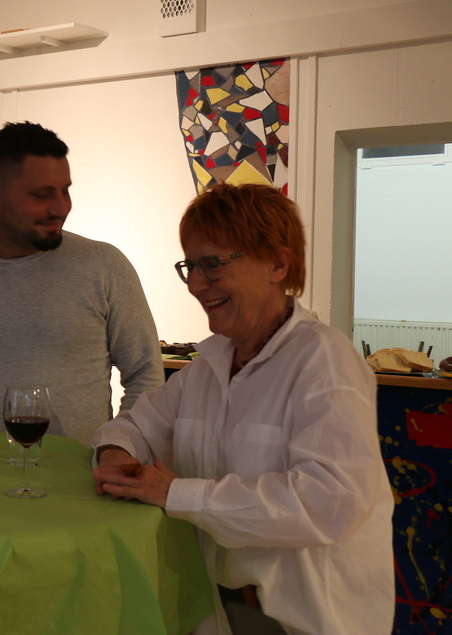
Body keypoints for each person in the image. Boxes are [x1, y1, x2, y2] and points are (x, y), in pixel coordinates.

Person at [91, 182, 394, 635]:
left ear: (277, 264)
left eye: (213, 265)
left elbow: (330, 500)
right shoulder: (209, 365)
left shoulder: (323, 361)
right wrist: (117, 457)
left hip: (303, 621)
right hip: (217, 611)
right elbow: (133, 426)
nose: (197, 284)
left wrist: (177, 494)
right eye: (190, 266)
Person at [0, 122, 163, 445]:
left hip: (80, 474)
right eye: (41, 195)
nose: (60, 208)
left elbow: (146, 377)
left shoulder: (104, 266)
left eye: (65, 191)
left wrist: (117, 448)